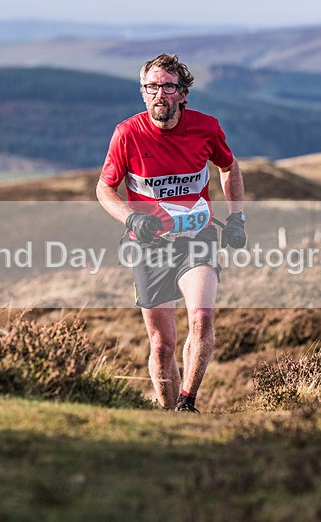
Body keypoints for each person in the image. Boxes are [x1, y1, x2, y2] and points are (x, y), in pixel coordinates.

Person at [96, 53, 246, 412]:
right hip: (149, 246)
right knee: (162, 345)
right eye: (152, 87)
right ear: (143, 93)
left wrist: (237, 217)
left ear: (182, 93)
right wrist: (131, 219)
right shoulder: (126, 134)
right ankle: (168, 417)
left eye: (167, 86)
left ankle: (187, 403)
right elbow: (104, 189)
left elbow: (229, 167)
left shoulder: (206, 128)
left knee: (202, 317)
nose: (159, 94)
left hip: (198, 239)